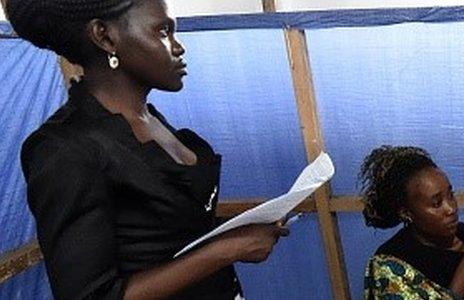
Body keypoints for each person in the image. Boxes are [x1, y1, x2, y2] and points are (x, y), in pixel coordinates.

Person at [9, 0, 289, 299]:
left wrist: (237, 229)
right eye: (163, 31)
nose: (178, 47)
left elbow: (160, 236)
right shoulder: (64, 150)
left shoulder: (149, 120)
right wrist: (226, 251)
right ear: (105, 37)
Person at [361, 146, 464, 300]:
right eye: (436, 203)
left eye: (451, 195)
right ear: (406, 212)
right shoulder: (390, 265)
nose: (451, 208)